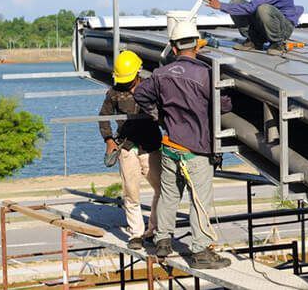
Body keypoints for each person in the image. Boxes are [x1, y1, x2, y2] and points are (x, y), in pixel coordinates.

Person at [134, 21, 232, 269]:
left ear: (173, 48)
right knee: (199, 199)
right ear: (196, 45)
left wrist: (158, 115)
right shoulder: (205, 74)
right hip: (196, 149)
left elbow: (140, 95)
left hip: (169, 145)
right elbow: (224, 106)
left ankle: (163, 241)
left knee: (169, 194)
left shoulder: (160, 74)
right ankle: (200, 252)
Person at [98, 50, 163, 249]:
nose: (125, 83)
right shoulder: (114, 92)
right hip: (126, 146)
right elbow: (103, 117)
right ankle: (135, 234)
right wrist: (109, 140)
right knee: (131, 192)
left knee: (162, 189)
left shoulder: (151, 87)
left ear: (137, 73)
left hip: (150, 145)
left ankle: (154, 230)